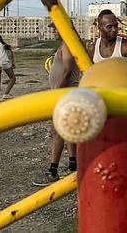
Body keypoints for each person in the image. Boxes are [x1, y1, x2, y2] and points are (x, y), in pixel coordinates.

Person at [32, 23, 82, 186]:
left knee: (57, 131)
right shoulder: (66, 44)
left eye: (55, 28)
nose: (54, 31)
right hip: (66, 93)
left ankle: (53, 170)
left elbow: (67, 68)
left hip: (65, 93)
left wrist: (58, 91)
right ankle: (73, 164)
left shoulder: (67, 44)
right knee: (68, 130)